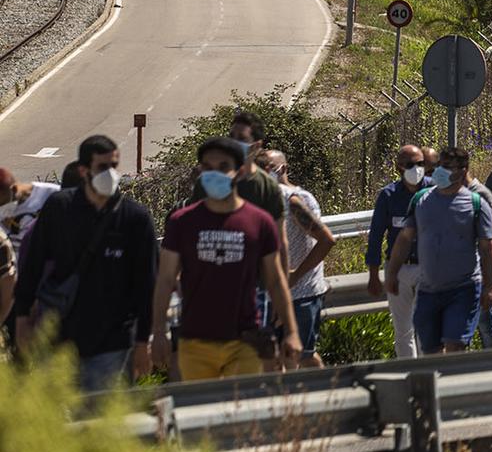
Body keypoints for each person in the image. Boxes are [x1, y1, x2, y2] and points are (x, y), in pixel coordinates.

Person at [10, 135, 157, 390]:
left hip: (113, 343)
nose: (110, 174)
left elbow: (147, 283)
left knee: (103, 421)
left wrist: (144, 341)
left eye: (114, 166)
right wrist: (22, 319)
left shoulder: (135, 218)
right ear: (83, 170)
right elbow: (32, 264)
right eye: (103, 167)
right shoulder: (59, 209)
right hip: (60, 339)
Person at [152, 138, 299, 380]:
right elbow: (166, 279)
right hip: (195, 340)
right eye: (207, 168)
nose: (214, 174)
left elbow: (275, 279)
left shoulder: (259, 222)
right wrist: (158, 332)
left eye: (222, 167)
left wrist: (292, 331)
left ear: (240, 171)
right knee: (199, 412)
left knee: (239, 412)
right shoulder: (182, 222)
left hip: (245, 340)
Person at [388, 147, 492, 355]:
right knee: (431, 352)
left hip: (463, 288)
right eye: (439, 166)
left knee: (456, 346)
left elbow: (488, 248)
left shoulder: (477, 204)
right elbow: (404, 239)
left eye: (447, 167)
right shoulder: (421, 200)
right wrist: (392, 272)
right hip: (428, 290)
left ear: (462, 170)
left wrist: (490, 286)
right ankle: (438, 387)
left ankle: (456, 386)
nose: (439, 171)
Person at [255, 150, 334, 369]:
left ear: (284, 169)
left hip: (302, 292)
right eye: (261, 169)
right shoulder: (260, 199)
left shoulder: (294, 200)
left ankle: (326, 393)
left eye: (270, 168)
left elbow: (326, 240)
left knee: (303, 355)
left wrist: (294, 276)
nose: (265, 174)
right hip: (274, 293)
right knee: (274, 356)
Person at [365, 144, 429, 359]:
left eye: (421, 164)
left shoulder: (434, 191)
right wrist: (374, 275)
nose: (417, 169)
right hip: (398, 269)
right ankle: (409, 375)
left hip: (428, 267)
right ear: (399, 167)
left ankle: (430, 374)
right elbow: (375, 236)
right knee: (403, 331)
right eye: (411, 165)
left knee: (426, 328)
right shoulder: (388, 196)